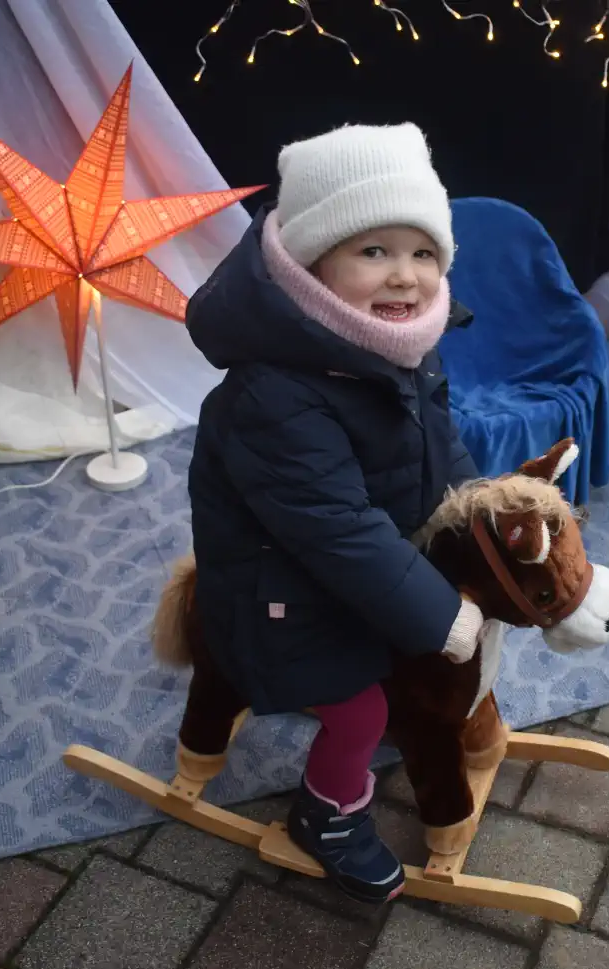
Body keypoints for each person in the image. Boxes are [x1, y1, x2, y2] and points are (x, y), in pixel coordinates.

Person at [183, 123, 484, 903]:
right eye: (373, 252)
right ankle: (328, 815)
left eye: (423, 253)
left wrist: (473, 514)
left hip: (358, 569)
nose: (406, 278)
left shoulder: (402, 342)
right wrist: (437, 609)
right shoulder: (276, 395)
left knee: (410, 654)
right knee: (360, 711)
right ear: (312, 263)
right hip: (279, 595)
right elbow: (333, 527)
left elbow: (440, 438)